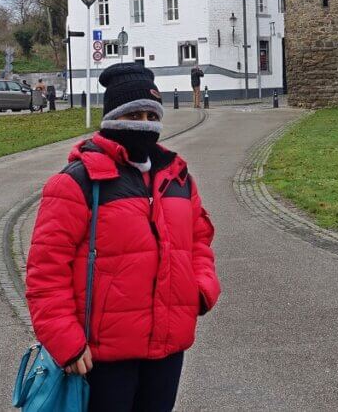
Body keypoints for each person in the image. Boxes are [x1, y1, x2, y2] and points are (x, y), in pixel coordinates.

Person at [25, 63, 220, 411]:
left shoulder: (177, 178)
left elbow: (199, 241)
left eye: (151, 114)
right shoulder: (77, 183)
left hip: (166, 349)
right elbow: (45, 272)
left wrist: (201, 290)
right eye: (133, 114)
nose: (143, 124)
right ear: (112, 117)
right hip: (102, 356)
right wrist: (65, 341)